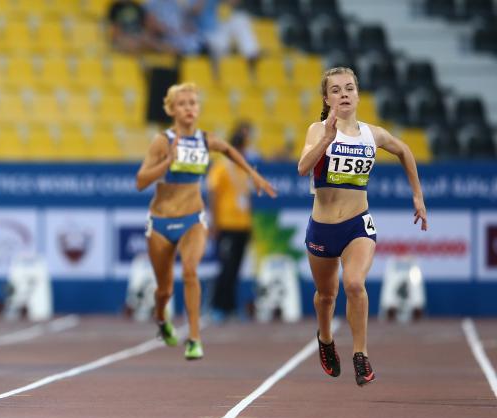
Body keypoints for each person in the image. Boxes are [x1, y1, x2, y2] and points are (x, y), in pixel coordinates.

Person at [297, 67, 427, 386]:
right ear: (326, 98)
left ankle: (360, 354)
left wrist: (418, 197)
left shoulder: (373, 134)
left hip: (358, 225)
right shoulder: (318, 130)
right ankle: (326, 339)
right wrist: (326, 140)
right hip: (323, 228)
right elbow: (302, 168)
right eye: (337, 90)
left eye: (350, 88)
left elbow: (404, 150)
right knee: (326, 295)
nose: (344, 94)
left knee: (354, 283)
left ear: (358, 94)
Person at [135, 82, 276, 360]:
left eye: (193, 103)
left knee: (190, 272)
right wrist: (167, 163)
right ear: (172, 109)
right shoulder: (161, 141)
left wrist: (252, 173)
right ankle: (162, 321)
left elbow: (228, 150)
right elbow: (140, 181)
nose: (190, 108)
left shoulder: (204, 139)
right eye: (183, 103)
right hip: (162, 220)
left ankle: (194, 338)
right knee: (164, 288)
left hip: (192, 218)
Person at [206, 121, 255, 323]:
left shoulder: (243, 168)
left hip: (242, 225)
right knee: (225, 269)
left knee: (235, 270)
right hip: (226, 225)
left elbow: (246, 197)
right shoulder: (221, 168)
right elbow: (213, 194)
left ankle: (231, 307)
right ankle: (218, 307)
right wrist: (214, 223)